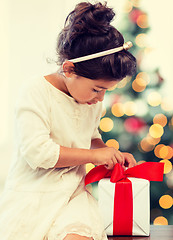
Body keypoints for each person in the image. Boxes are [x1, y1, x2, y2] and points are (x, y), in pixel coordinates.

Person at [0, 2, 137, 240]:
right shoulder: (35, 91)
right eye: (97, 89)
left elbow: (91, 138)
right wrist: (94, 156)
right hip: (33, 195)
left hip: (74, 195)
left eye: (106, 91)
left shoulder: (90, 101)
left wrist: (108, 152)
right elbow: (38, 153)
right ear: (70, 69)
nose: (100, 98)